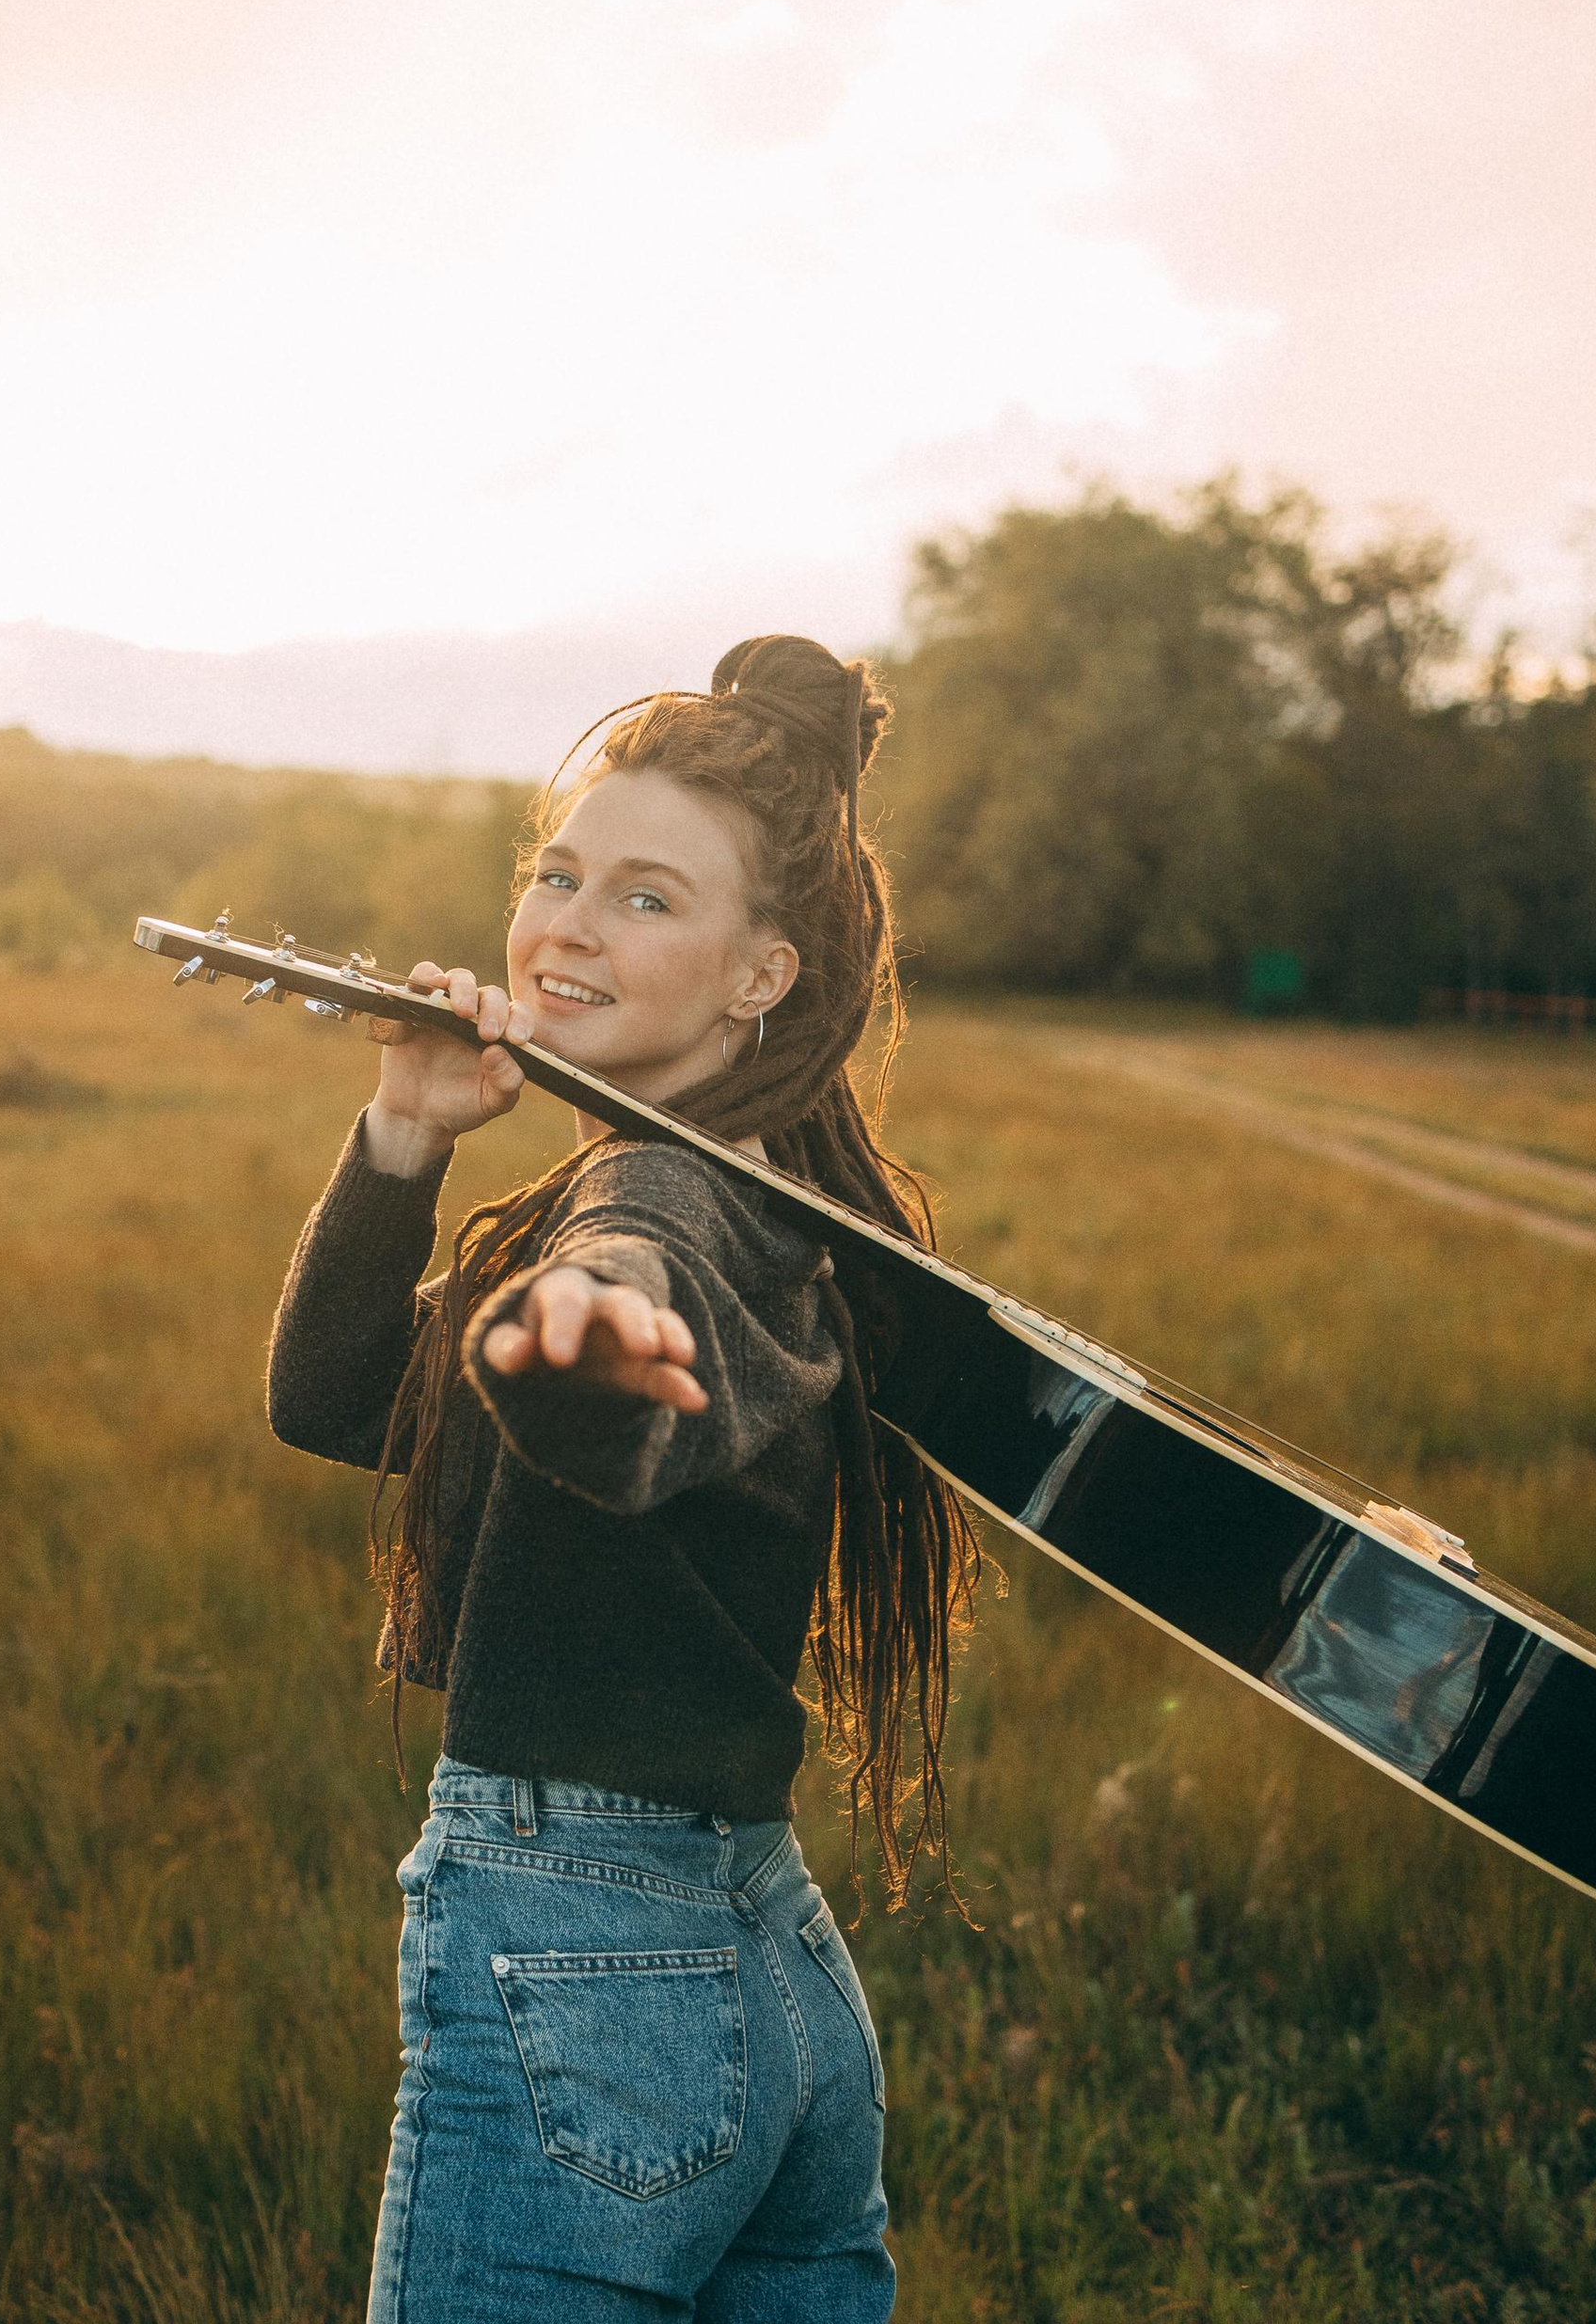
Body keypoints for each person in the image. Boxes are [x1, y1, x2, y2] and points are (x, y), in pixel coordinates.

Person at [265, 635, 982, 2321]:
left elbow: (628, 1372)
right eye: (559, 873)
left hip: (581, 1970)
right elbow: (333, 1400)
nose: (570, 926)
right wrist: (405, 1137)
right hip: (770, 1965)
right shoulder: (774, 1201)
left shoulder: (660, 1214)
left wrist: (584, 1348)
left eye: (650, 899)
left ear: (762, 975)